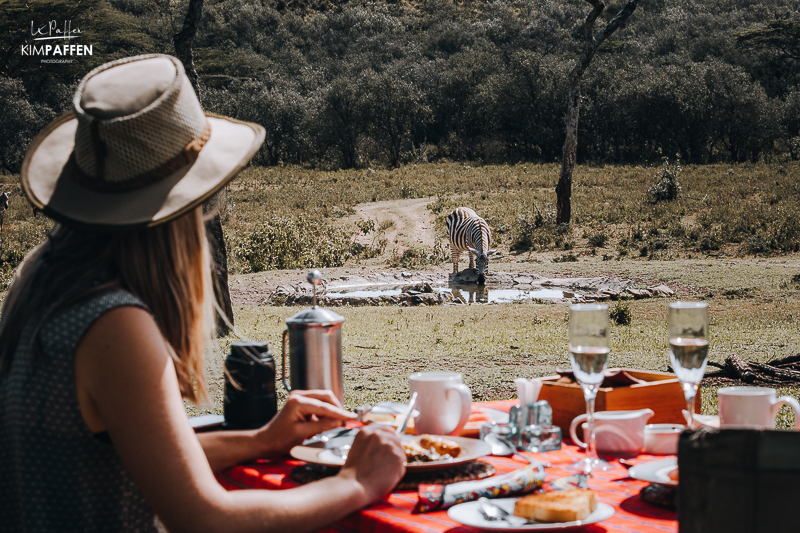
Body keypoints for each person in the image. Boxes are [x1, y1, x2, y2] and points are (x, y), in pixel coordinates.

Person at [0, 54, 406, 533]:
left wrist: (262, 439)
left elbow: (153, 459)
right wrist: (357, 482)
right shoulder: (114, 323)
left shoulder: (41, 280)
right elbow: (204, 518)